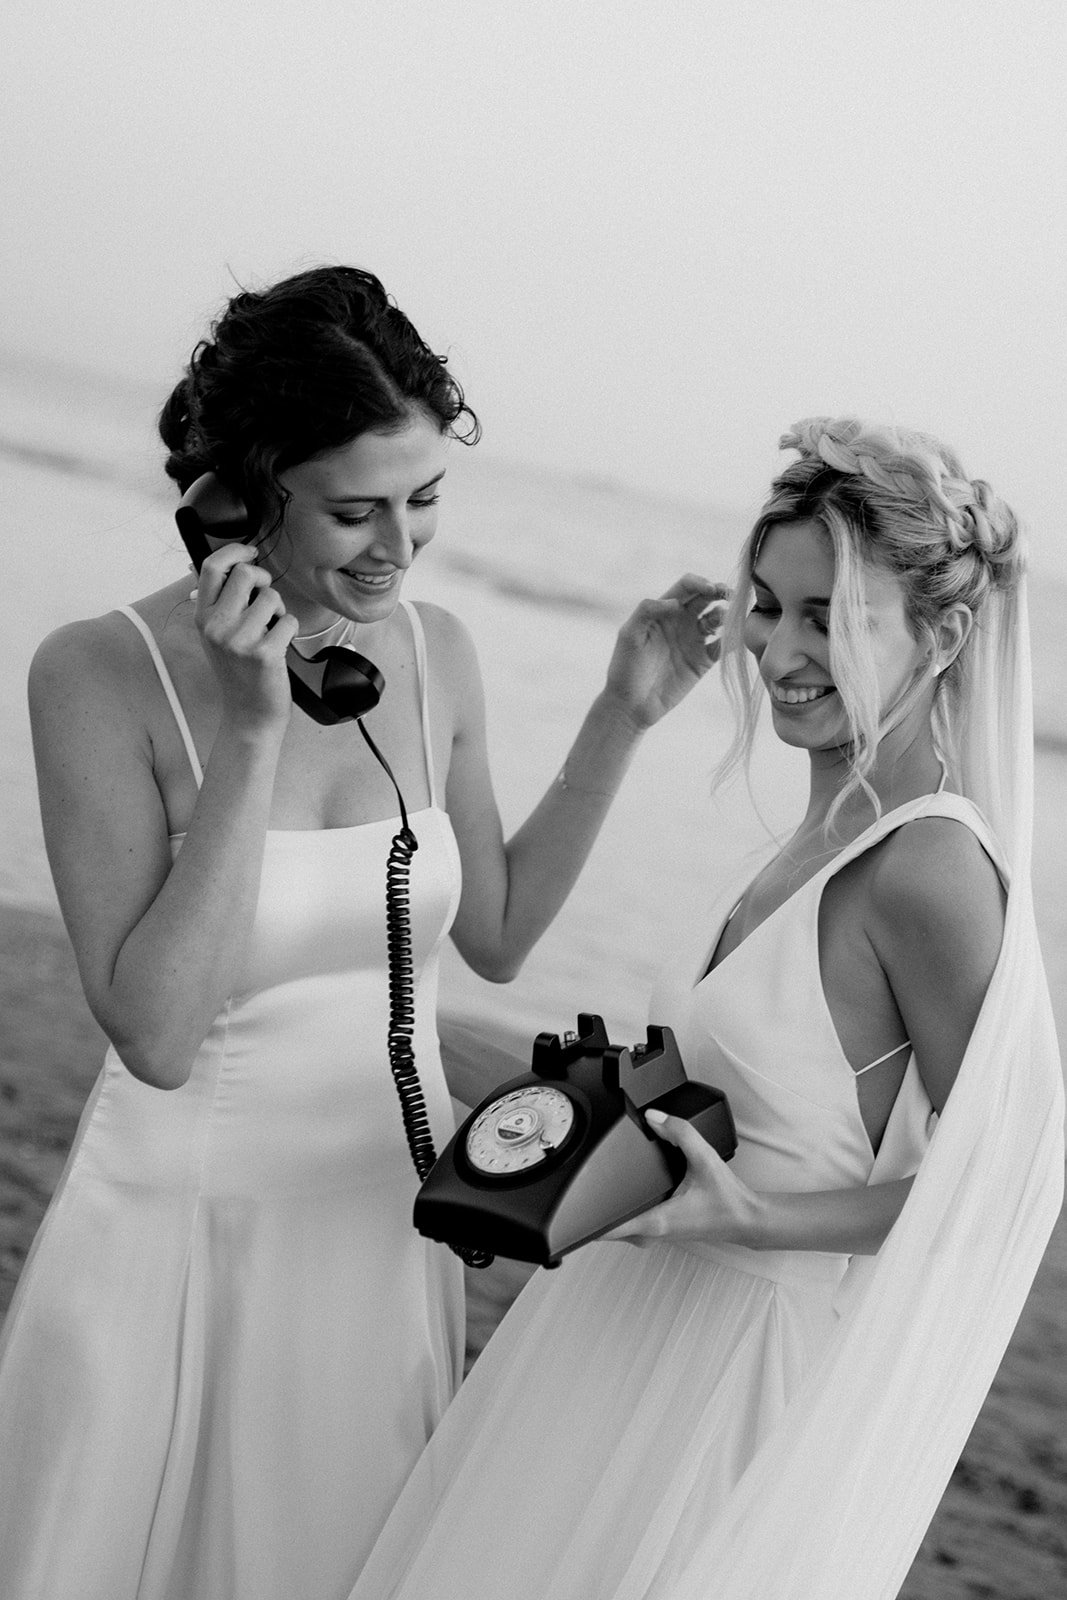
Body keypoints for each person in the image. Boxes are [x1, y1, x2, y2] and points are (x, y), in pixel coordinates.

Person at [0, 265, 720, 1600]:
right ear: (238, 499)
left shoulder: (436, 650)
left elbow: (493, 933)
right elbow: (154, 1033)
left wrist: (621, 716)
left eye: (425, 497)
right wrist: (253, 730)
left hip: (381, 1233)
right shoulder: (96, 674)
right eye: (353, 510)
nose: (399, 545)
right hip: (183, 1234)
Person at [346, 418, 1065, 1600]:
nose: (780, 649)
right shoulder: (808, 840)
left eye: (830, 617)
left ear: (939, 636)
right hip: (612, 1328)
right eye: (768, 607)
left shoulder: (927, 868)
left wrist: (754, 1217)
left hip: (727, 1376)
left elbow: (1001, 1187)